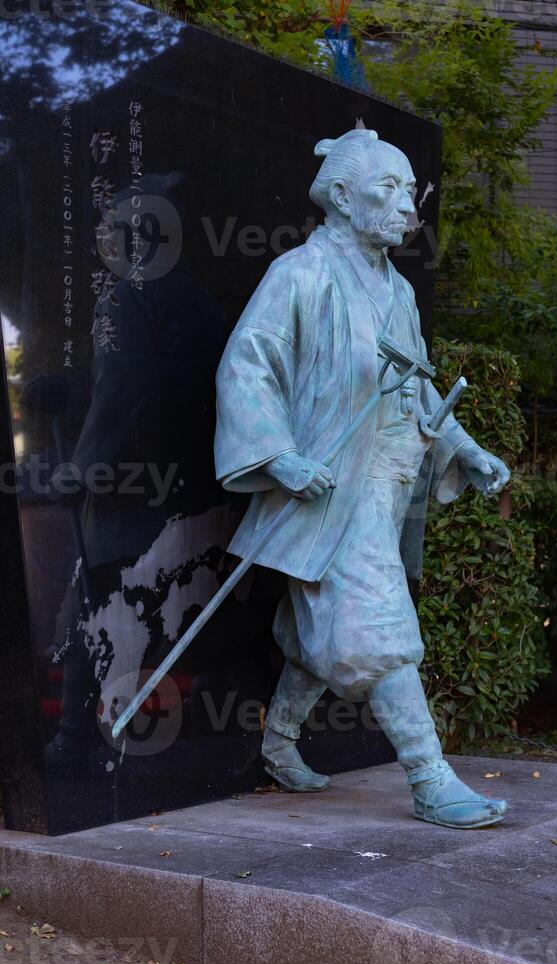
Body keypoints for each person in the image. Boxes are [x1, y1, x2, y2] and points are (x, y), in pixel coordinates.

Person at [214, 129, 511, 829]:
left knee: (327, 621)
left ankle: (280, 744)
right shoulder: (300, 274)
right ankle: (430, 776)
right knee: (374, 620)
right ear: (342, 197)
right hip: (326, 484)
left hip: (384, 483)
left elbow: (416, 387)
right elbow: (248, 364)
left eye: (411, 190)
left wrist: (463, 447)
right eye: (390, 188)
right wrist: (277, 455)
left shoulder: (398, 290)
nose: (408, 205)